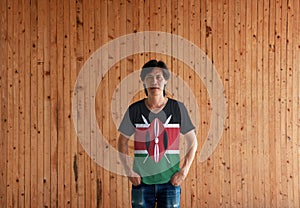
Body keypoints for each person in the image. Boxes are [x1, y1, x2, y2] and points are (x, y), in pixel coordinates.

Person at [118, 59, 198, 208]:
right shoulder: (134, 109)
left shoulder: (178, 108)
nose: (154, 81)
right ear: (143, 81)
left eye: (158, 77)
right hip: (141, 183)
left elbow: (193, 141)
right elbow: (121, 141)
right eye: (149, 77)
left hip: (170, 183)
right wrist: (129, 171)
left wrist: (184, 172)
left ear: (165, 80)